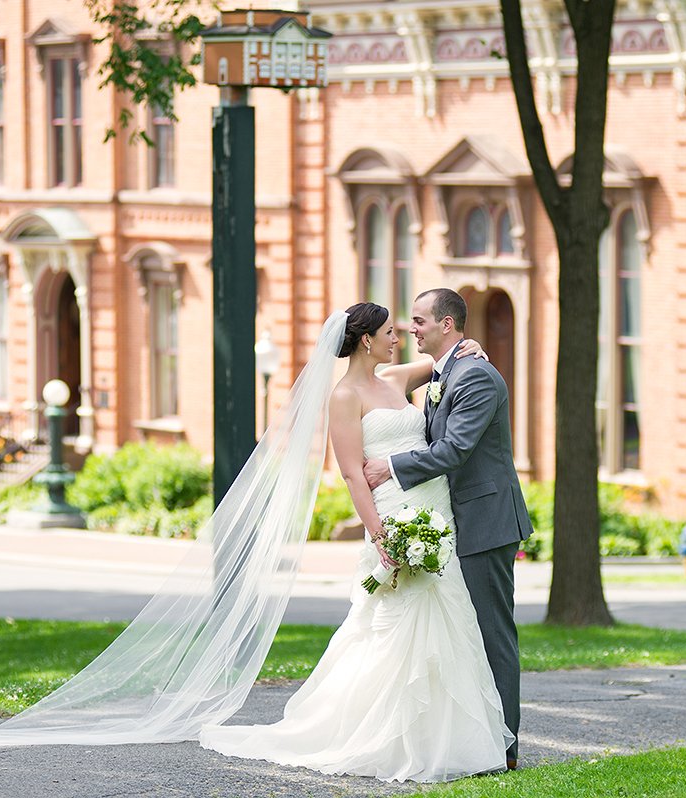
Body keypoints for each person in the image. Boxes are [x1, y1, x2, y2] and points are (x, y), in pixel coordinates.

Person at [199, 302, 513, 781]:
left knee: (451, 621)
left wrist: (472, 345)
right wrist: (380, 532)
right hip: (390, 509)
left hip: (436, 509)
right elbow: (351, 472)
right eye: (391, 331)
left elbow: (443, 360)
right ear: (367, 340)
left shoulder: (395, 378)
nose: (400, 336)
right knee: (394, 624)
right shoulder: (345, 396)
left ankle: (449, 737)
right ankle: (378, 732)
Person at [362, 288, 532, 770]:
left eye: (419, 321)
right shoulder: (446, 369)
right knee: (465, 634)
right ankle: (475, 739)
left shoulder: (474, 375)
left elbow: (454, 449)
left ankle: (505, 747)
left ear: (447, 325)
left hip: (486, 522)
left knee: (492, 635)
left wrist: (389, 466)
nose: (410, 328)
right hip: (459, 521)